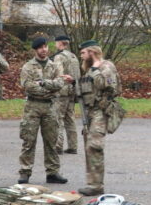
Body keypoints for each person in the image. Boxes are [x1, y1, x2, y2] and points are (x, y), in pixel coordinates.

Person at [18, 36, 73, 184]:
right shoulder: (28, 66)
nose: (44, 50)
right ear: (35, 50)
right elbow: (28, 86)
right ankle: (25, 172)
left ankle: (52, 172)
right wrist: (48, 88)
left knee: (51, 141)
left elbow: (60, 83)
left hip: (50, 107)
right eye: (41, 47)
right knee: (29, 141)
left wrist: (43, 83)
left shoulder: (54, 66)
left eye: (45, 47)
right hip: (33, 107)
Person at [76, 39, 120, 196]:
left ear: (92, 52)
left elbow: (107, 86)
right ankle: (92, 183)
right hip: (90, 113)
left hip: (101, 111)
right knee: (89, 147)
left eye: (83, 53)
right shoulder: (90, 69)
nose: (81, 56)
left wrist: (95, 70)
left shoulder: (106, 67)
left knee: (95, 147)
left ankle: (96, 185)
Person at [52, 35, 81, 155]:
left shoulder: (59, 57)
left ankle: (58, 146)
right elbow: (77, 75)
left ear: (59, 43)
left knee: (58, 118)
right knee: (70, 119)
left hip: (62, 91)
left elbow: (59, 74)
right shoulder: (74, 56)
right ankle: (73, 146)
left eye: (56, 42)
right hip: (72, 90)